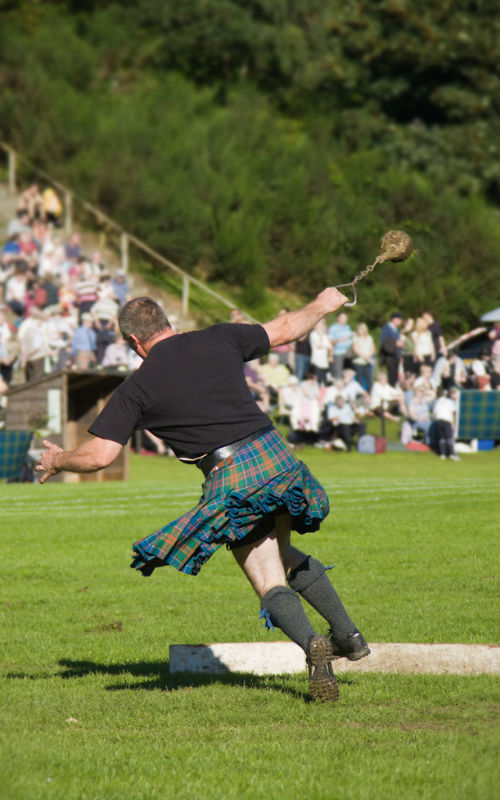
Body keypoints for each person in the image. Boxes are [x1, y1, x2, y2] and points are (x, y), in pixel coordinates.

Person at [37, 290, 370, 703]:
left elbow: (99, 456)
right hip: (277, 456)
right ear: (166, 322)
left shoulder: (136, 387)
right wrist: (322, 304)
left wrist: (57, 460)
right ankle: (349, 637)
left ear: (134, 343)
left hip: (232, 474)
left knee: (267, 577)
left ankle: (313, 646)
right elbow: (286, 329)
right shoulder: (218, 337)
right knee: (282, 553)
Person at [379, 312, 403, 386]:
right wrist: (395, 343)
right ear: (394, 319)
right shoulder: (387, 328)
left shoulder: (396, 329)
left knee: (395, 376)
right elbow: (383, 342)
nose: (401, 321)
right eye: (399, 319)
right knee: (391, 376)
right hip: (389, 357)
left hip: (396, 356)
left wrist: (400, 355)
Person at [328, 311, 353, 379]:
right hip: (338, 353)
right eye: (343, 317)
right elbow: (330, 341)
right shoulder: (333, 328)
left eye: (346, 317)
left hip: (348, 353)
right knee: (338, 374)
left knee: (348, 373)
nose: (345, 319)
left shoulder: (347, 327)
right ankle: (338, 386)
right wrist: (340, 340)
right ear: (338, 318)